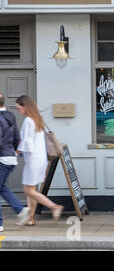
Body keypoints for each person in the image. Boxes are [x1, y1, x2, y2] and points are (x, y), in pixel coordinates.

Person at [15, 95, 64, 225]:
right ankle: (30, 218)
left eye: (19, 108)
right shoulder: (38, 120)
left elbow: (27, 142)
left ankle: (54, 207)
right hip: (41, 159)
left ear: (25, 107)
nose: (19, 111)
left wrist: (16, 152)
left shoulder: (28, 121)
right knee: (32, 191)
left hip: (33, 160)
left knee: (28, 190)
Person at [0, 93, 30, 231]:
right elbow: (17, 136)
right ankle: (20, 210)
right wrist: (16, 152)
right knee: (2, 187)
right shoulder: (10, 115)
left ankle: (0, 223)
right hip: (10, 158)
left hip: (2, 157)